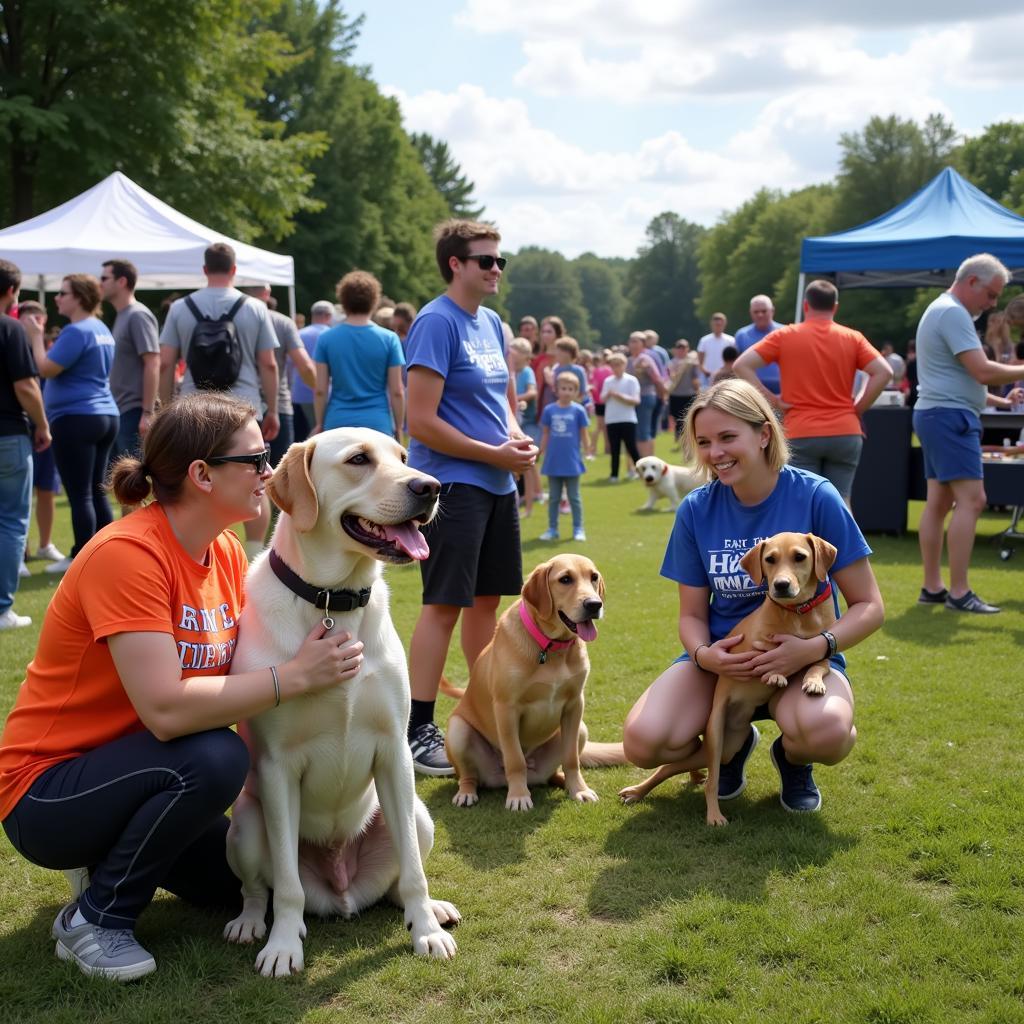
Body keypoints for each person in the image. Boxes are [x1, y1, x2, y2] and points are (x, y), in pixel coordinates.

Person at [0, 393, 364, 981]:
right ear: (202, 475)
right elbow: (167, 712)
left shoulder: (221, 548)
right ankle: (95, 919)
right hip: (46, 794)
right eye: (256, 458)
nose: (270, 474)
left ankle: (105, 859)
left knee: (248, 882)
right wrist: (294, 677)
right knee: (216, 754)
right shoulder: (128, 554)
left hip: (140, 771)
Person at [622, 379, 884, 815]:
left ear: (764, 434)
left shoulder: (816, 496)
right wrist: (706, 656)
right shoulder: (696, 508)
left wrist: (813, 650)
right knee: (644, 742)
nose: (715, 452)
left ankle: (793, 759)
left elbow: (870, 606)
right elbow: (690, 615)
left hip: (803, 660)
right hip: (723, 663)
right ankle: (736, 744)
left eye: (728, 437)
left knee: (828, 734)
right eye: (704, 442)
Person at [404, 219, 537, 775]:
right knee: (443, 609)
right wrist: (495, 455)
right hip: (452, 487)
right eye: (485, 260)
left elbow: (503, 400)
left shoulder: (494, 324)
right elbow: (420, 422)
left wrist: (514, 437)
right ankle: (418, 727)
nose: (496, 269)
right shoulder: (436, 322)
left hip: (496, 482)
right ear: (455, 264)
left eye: (500, 260)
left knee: (487, 605)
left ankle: (484, 711)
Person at [913, 253, 1024, 614]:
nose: (993, 304)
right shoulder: (953, 312)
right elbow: (980, 370)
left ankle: (933, 588)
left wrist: (998, 401)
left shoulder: (941, 309)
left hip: (935, 414)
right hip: (950, 418)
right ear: (971, 281)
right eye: (991, 295)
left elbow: (958, 376)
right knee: (973, 501)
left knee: (939, 503)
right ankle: (959, 593)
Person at [158, 242, 280, 559]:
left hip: (193, 411)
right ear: (234, 270)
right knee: (255, 479)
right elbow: (268, 363)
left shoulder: (180, 308)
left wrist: (163, 408)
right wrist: (274, 408)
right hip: (245, 409)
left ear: (204, 269)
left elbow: (165, 362)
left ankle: (191, 550)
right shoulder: (255, 308)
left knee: (194, 481)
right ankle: (252, 556)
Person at [733, 279, 892, 505]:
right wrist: (858, 407)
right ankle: (845, 542)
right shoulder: (852, 337)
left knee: (803, 503)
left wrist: (773, 401)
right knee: (841, 502)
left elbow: (741, 365)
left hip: (801, 431)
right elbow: (883, 372)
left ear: (806, 306)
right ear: (835, 307)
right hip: (845, 431)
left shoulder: (785, 335)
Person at [25, 274, 120, 574]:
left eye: (63, 293)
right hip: (104, 414)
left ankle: (82, 556)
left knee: (80, 493)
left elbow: (46, 369)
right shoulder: (101, 328)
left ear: (78, 297)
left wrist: (35, 337)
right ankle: (110, 554)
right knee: (95, 491)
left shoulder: (76, 331)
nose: (57, 298)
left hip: (76, 417)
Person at [0, 261, 51, 629]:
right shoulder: (11, 328)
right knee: (12, 522)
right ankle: (2, 608)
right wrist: (43, 424)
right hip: (8, 435)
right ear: (12, 292)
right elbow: (26, 386)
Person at [313, 270, 405, 439]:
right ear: (374, 300)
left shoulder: (326, 339)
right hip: (378, 423)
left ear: (343, 300)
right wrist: (399, 427)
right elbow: (397, 390)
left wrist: (319, 422)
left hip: (337, 422)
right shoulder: (390, 339)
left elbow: (320, 389)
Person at [14, 302, 64, 568]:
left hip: (46, 428)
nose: (33, 324)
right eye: (27, 319)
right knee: (19, 495)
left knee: (47, 488)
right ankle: (18, 553)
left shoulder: (49, 351)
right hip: (19, 428)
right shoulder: (11, 344)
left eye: (37, 319)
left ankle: (45, 545)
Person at [243, 284, 316, 467]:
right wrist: (320, 391)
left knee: (246, 472)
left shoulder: (233, 317)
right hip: (279, 403)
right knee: (280, 473)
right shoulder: (282, 322)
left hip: (242, 403)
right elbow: (305, 366)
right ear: (266, 293)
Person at [101, 259, 160, 462]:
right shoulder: (123, 315)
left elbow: (153, 362)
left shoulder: (138, 315)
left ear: (122, 281)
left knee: (136, 483)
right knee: (124, 484)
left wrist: (148, 412)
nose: (100, 283)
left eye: (104, 278)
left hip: (134, 413)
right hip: (122, 411)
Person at [539, 372, 589, 542]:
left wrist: (588, 450)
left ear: (576, 391)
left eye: (571, 389)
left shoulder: (579, 410)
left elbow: (584, 433)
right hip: (553, 461)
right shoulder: (549, 410)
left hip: (572, 461)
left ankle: (578, 528)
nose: (567, 392)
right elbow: (545, 433)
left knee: (574, 497)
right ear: (556, 390)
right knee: (553, 497)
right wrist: (541, 451)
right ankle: (552, 528)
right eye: (563, 388)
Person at [292, 300, 335, 441]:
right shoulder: (331, 335)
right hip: (326, 394)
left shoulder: (298, 334)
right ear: (328, 316)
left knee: (301, 436)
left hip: (298, 393)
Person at [509, 336, 541, 517]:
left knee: (529, 462)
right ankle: (530, 496)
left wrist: (516, 400)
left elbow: (532, 392)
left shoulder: (526, 371)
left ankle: (533, 497)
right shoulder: (510, 371)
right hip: (516, 421)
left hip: (527, 422)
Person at [600, 352, 642, 481]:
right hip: (612, 419)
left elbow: (636, 400)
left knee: (631, 447)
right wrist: (608, 395)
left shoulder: (631, 380)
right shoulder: (608, 381)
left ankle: (640, 472)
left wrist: (619, 396)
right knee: (614, 449)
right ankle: (614, 474)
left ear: (624, 365)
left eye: (618, 365)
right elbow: (602, 399)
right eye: (613, 365)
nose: (616, 368)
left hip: (628, 419)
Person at [626, 331, 666, 458]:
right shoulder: (629, 360)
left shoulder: (645, 359)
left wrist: (662, 397)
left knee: (643, 431)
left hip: (645, 397)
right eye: (631, 341)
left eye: (636, 341)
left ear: (643, 344)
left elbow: (657, 379)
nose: (633, 344)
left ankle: (648, 461)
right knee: (636, 432)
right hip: (632, 399)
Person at [733, 295, 783, 395]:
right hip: (752, 391)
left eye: (764, 311)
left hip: (781, 391)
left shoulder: (784, 333)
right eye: (756, 312)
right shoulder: (742, 335)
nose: (760, 315)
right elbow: (735, 365)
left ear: (772, 311)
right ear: (750, 313)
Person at [667, 339, 700, 444]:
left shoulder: (692, 362)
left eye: (683, 348)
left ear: (687, 349)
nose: (681, 350)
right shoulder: (671, 363)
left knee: (688, 417)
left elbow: (695, 378)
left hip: (689, 393)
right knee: (677, 417)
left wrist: (697, 391)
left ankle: (687, 438)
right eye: (679, 348)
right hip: (675, 394)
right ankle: (679, 437)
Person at [697, 313, 735, 383]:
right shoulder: (704, 340)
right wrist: (707, 373)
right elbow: (699, 361)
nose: (718, 326)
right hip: (707, 378)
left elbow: (733, 360)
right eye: (716, 324)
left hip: (725, 377)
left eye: (720, 324)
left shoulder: (731, 340)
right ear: (712, 324)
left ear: (724, 324)